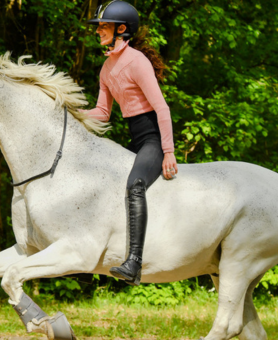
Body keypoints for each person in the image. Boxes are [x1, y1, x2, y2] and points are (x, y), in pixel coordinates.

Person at [83, 0, 177, 286]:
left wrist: (168, 151)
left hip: (152, 138)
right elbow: (101, 113)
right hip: (132, 138)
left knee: (135, 184)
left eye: (104, 26)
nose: (98, 31)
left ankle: (134, 263)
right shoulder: (106, 68)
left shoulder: (137, 62)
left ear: (121, 29)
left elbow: (162, 108)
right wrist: (70, 112)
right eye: (98, 27)